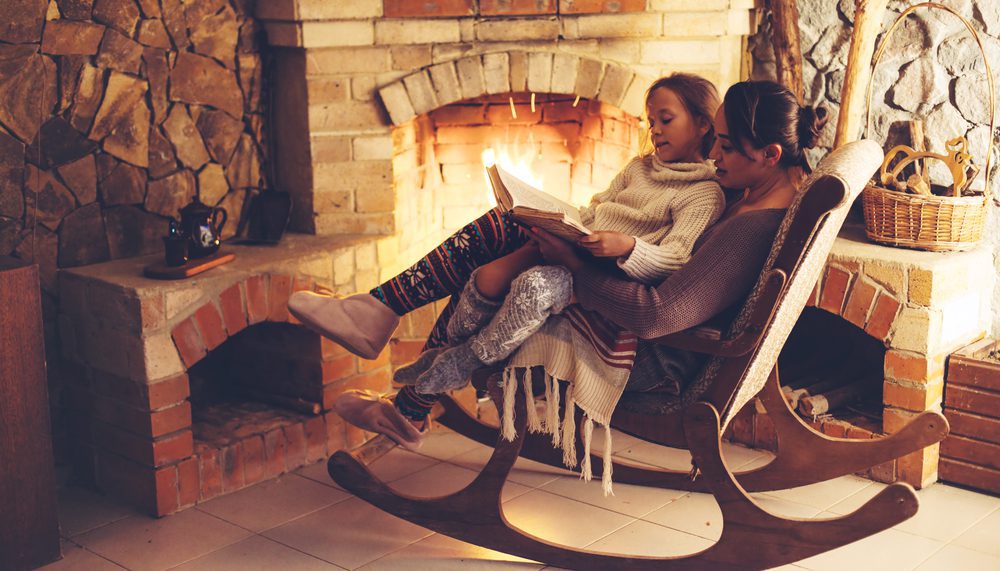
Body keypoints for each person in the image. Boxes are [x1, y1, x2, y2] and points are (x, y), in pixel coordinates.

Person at [290, 80, 827, 452]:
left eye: (727, 147)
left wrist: (574, 258)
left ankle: (394, 360)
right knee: (508, 233)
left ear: (771, 154)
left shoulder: (748, 225)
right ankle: (392, 358)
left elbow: (659, 316)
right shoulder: (759, 193)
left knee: (506, 252)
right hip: (628, 312)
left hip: (651, 361)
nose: (714, 156)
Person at [401, 74, 726, 395]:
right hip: (581, 248)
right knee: (491, 265)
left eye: (665, 120)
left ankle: (467, 361)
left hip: (612, 275)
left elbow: (678, 258)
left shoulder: (703, 193)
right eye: (651, 121)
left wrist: (628, 247)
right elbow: (597, 208)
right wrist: (562, 221)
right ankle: (447, 350)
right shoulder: (638, 169)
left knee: (534, 286)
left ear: (701, 124)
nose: (654, 130)